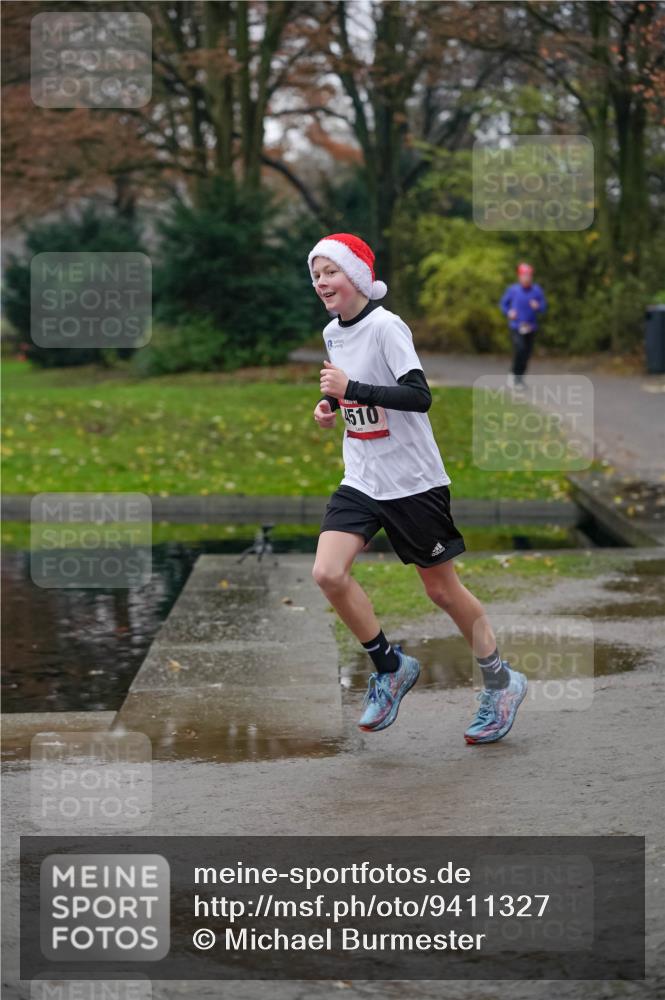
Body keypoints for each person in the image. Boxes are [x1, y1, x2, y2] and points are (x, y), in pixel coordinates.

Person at [308, 232, 527, 743]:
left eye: (331, 271)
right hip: (362, 477)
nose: (322, 282)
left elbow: (418, 395)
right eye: (316, 275)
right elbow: (353, 393)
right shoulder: (332, 332)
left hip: (412, 482)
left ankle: (501, 681)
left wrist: (351, 391)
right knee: (327, 572)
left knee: (441, 589)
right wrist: (331, 407)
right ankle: (389, 667)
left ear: (357, 276)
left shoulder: (388, 327)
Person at [500, 263, 547, 388]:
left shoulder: (536, 290)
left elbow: (543, 307)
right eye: (524, 275)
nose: (527, 278)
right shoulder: (513, 290)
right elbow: (503, 305)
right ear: (519, 276)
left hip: (530, 327)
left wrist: (538, 306)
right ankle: (513, 375)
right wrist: (509, 312)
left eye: (529, 275)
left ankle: (520, 379)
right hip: (516, 326)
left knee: (527, 353)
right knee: (519, 349)